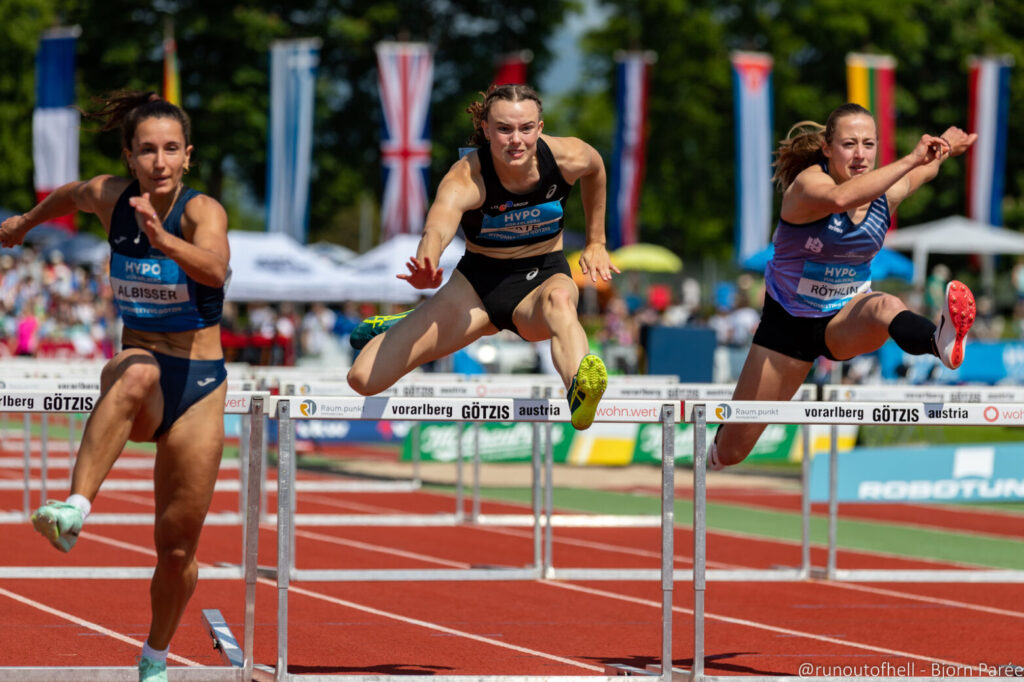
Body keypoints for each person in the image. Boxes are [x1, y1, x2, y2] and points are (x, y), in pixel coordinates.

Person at [0, 91, 230, 682]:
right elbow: (69, 195)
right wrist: (25, 222)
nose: (160, 161)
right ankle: (73, 508)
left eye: (171, 149)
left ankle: (154, 656)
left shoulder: (203, 212)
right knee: (139, 370)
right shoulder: (111, 197)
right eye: (147, 150)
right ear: (130, 157)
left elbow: (215, 269)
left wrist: (163, 240)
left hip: (200, 384)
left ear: (188, 156)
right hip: (140, 368)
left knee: (176, 549)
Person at [710, 103, 977, 470]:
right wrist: (911, 158)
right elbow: (840, 199)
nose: (860, 155)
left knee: (886, 306)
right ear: (827, 147)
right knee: (731, 452)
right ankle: (718, 447)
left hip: (843, 318)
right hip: (786, 327)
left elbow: (928, 168)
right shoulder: (808, 185)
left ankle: (939, 341)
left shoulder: (888, 191)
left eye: (869, 144)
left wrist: (944, 144)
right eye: (849, 144)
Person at [347, 84, 618, 429]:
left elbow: (596, 169)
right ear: (487, 130)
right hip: (475, 289)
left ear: (540, 127)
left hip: (543, 277)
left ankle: (580, 392)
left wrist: (596, 241)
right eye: (504, 129)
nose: (516, 140)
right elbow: (436, 229)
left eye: (525, 128)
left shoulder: (567, 156)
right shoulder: (467, 177)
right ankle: (405, 323)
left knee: (561, 301)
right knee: (363, 379)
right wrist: (428, 261)